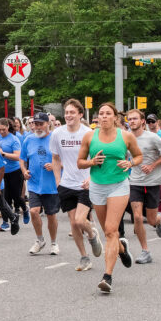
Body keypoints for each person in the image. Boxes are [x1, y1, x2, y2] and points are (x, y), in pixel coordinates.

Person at [77, 103, 141, 293]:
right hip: (97, 186)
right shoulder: (90, 136)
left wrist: (130, 163)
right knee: (108, 232)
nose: (104, 116)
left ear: (115, 117)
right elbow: (80, 162)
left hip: (119, 185)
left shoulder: (126, 136)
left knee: (112, 230)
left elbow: (139, 156)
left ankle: (107, 276)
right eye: (101, 114)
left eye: (108, 113)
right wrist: (91, 162)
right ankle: (121, 248)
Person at [51, 99, 102, 270]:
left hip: (85, 184)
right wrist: (58, 181)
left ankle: (92, 233)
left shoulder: (89, 133)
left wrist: (92, 178)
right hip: (66, 184)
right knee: (73, 224)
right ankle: (84, 257)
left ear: (80, 114)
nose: (68, 115)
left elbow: (98, 159)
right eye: (66, 112)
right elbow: (55, 158)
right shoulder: (57, 133)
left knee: (80, 220)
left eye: (72, 112)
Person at [126, 109, 161, 263]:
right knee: (137, 217)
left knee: (150, 220)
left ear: (142, 121)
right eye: (130, 119)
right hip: (135, 181)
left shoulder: (152, 137)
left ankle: (158, 220)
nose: (132, 121)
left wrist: (152, 165)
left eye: (135, 119)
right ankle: (145, 251)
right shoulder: (126, 138)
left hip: (152, 182)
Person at [22, 111, 61, 255]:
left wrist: (55, 165)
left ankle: (54, 242)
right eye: (35, 124)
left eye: (40, 124)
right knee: (33, 211)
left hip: (51, 185)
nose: (37, 127)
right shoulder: (28, 139)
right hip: (34, 183)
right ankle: (40, 240)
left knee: (51, 215)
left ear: (48, 124)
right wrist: (24, 171)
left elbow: (66, 160)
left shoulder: (55, 139)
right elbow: (22, 158)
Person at [0, 117, 27, 230]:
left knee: (17, 197)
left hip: (14, 171)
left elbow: (18, 156)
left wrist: (3, 154)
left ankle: (25, 209)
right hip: (1, 172)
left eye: (4, 129)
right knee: (3, 198)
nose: (1, 132)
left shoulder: (14, 139)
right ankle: (5, 222)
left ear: (8, 127)